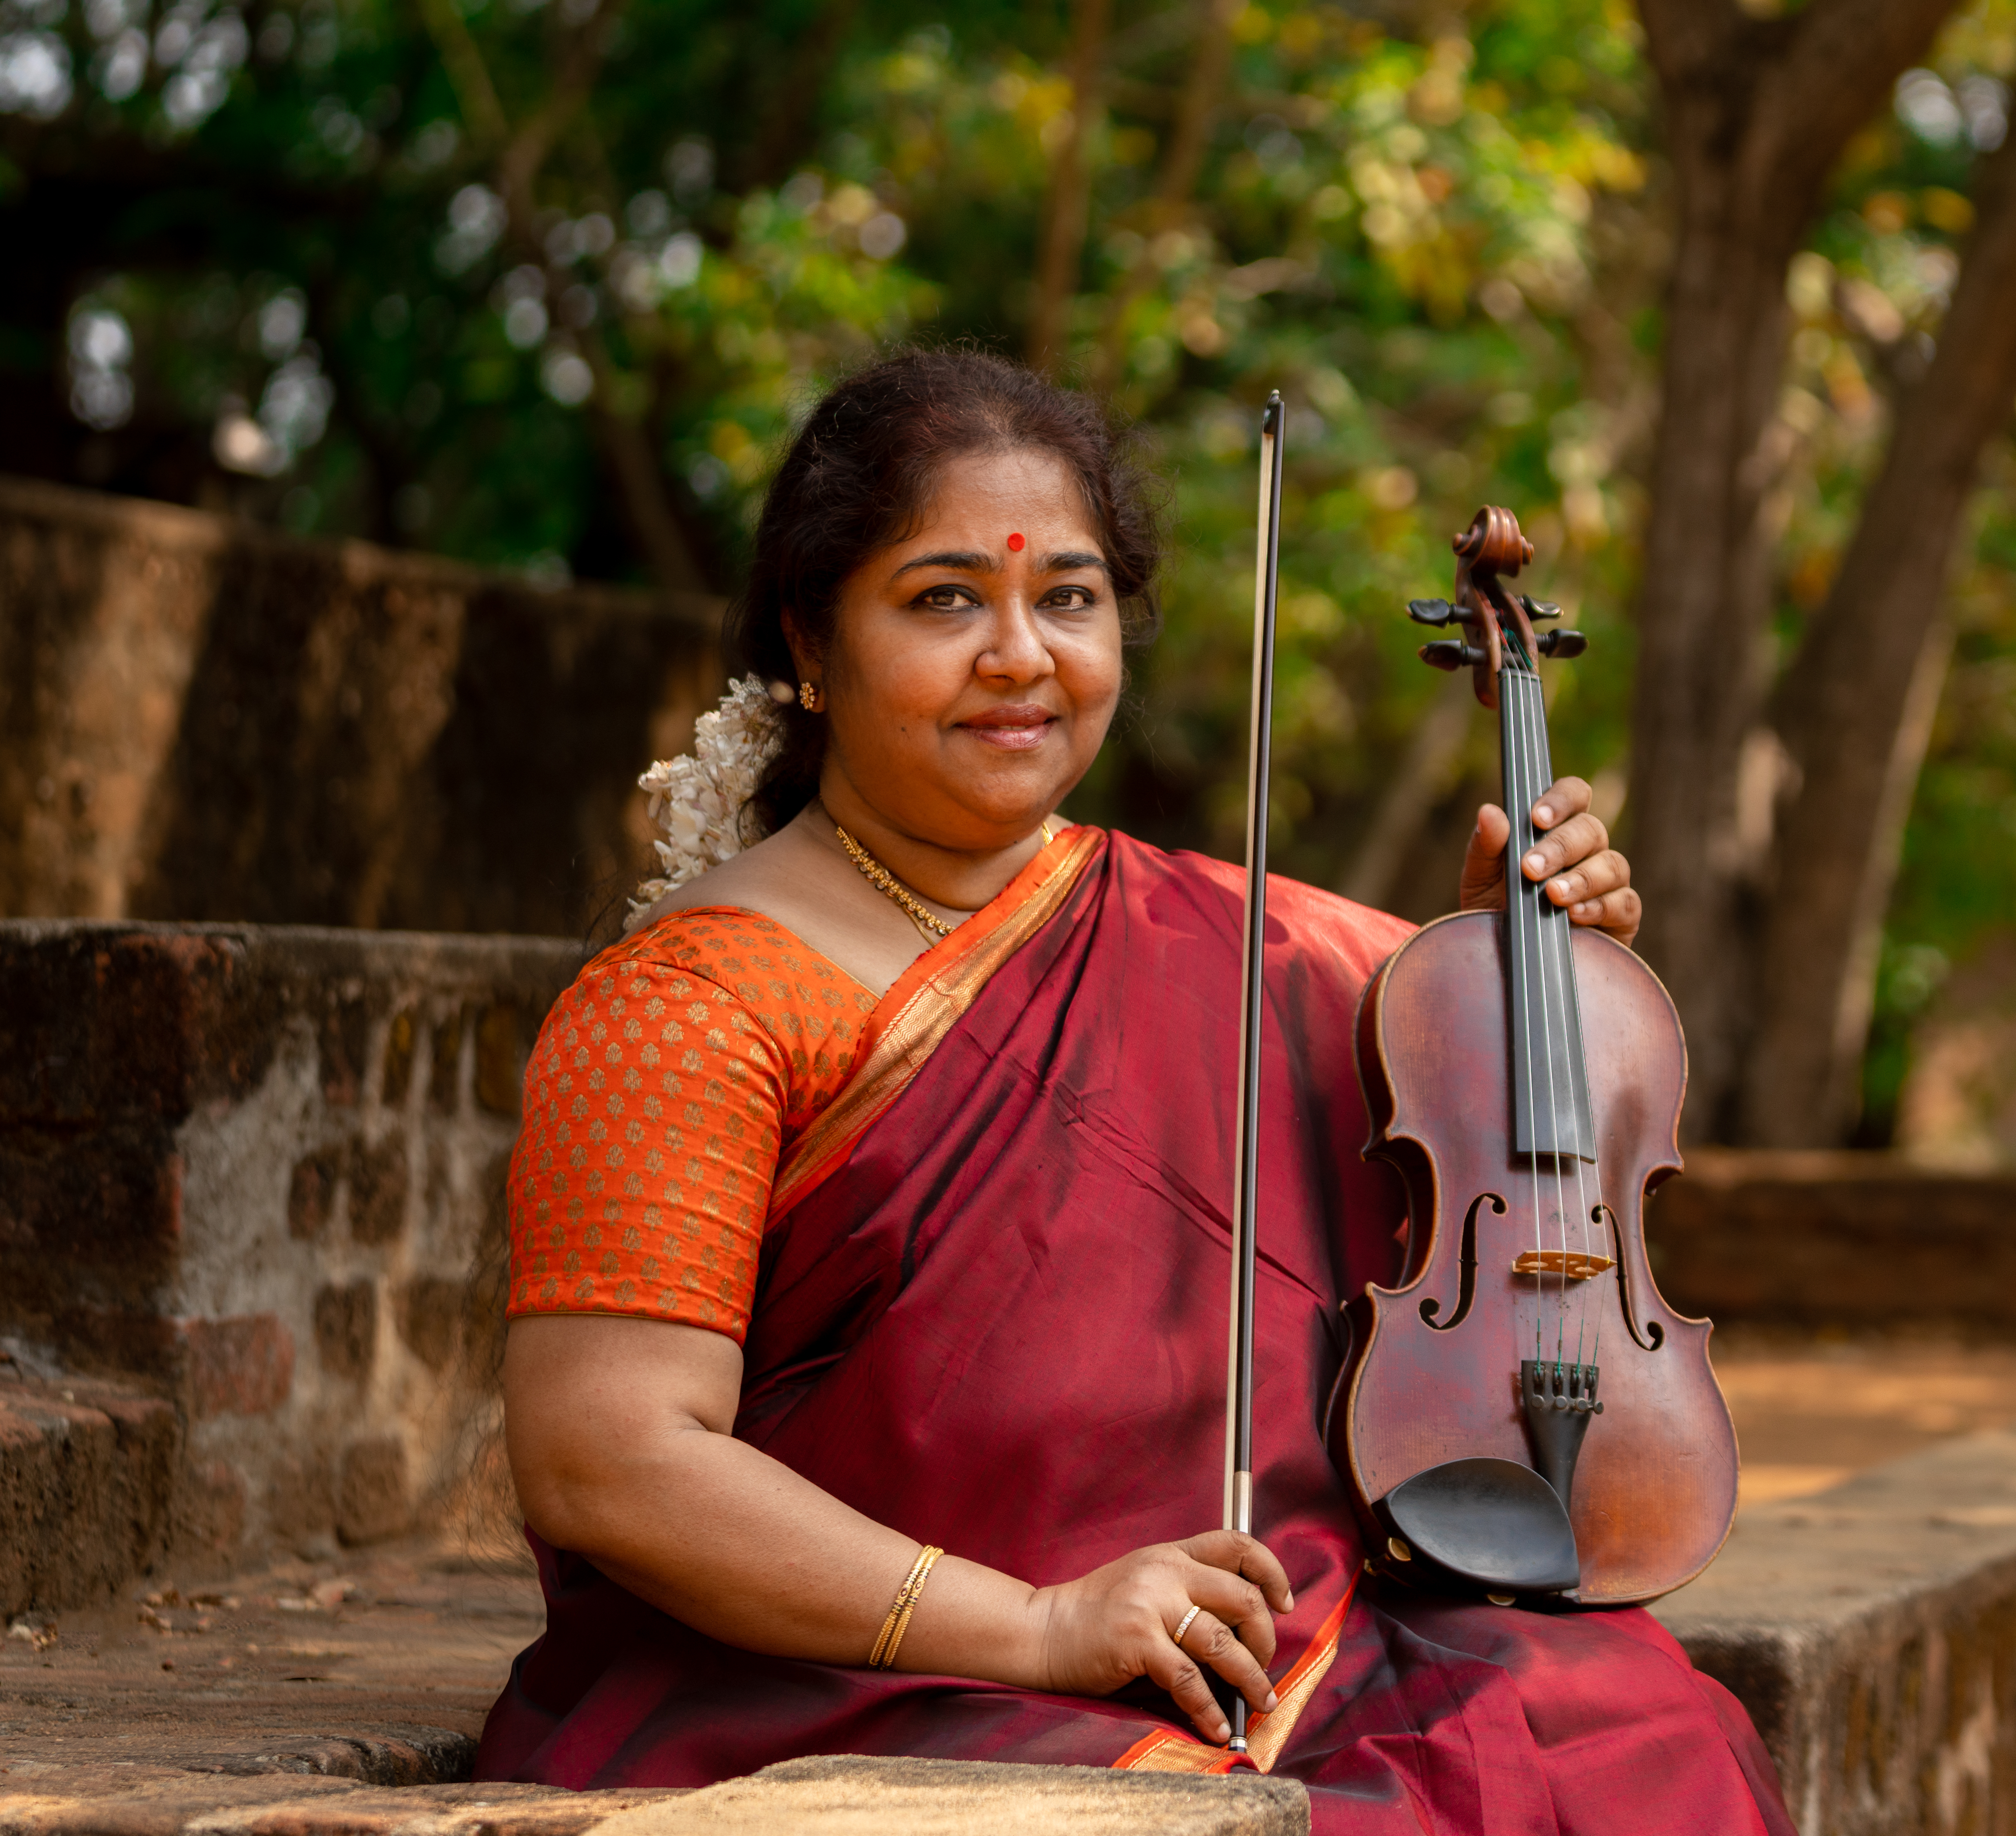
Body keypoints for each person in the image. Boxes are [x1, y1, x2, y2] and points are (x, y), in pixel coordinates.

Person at [474, 350, 1794, 1833]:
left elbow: (1487, 1214)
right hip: (886, 1673)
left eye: (1071, 598)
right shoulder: (686, 1005)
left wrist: (1511, 975)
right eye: (944, 599)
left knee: (1634, 1738)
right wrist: (1041, 1624)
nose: (1020, 656)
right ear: (813, 642)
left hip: (1262, 1641)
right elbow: (608, 1462)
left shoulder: (1265, 945)